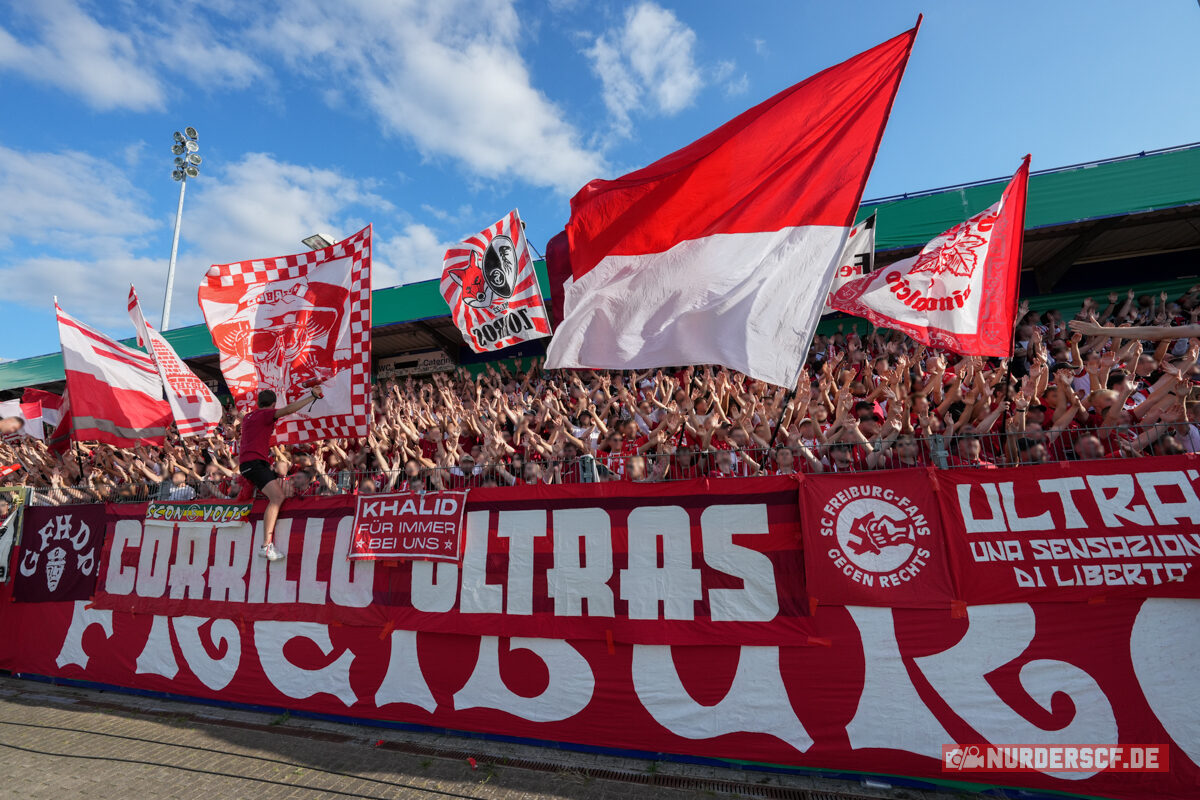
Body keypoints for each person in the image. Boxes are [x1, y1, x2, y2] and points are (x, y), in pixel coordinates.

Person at [238, 384, 323, 561]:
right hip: (255, 463)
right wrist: (311, 396)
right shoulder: (265, 414)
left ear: (258, 403)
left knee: (286, 489)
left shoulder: (248, 417)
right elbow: (288, 410)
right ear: (272, 405)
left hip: (249, 463)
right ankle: (266, 546)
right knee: (277, 497)